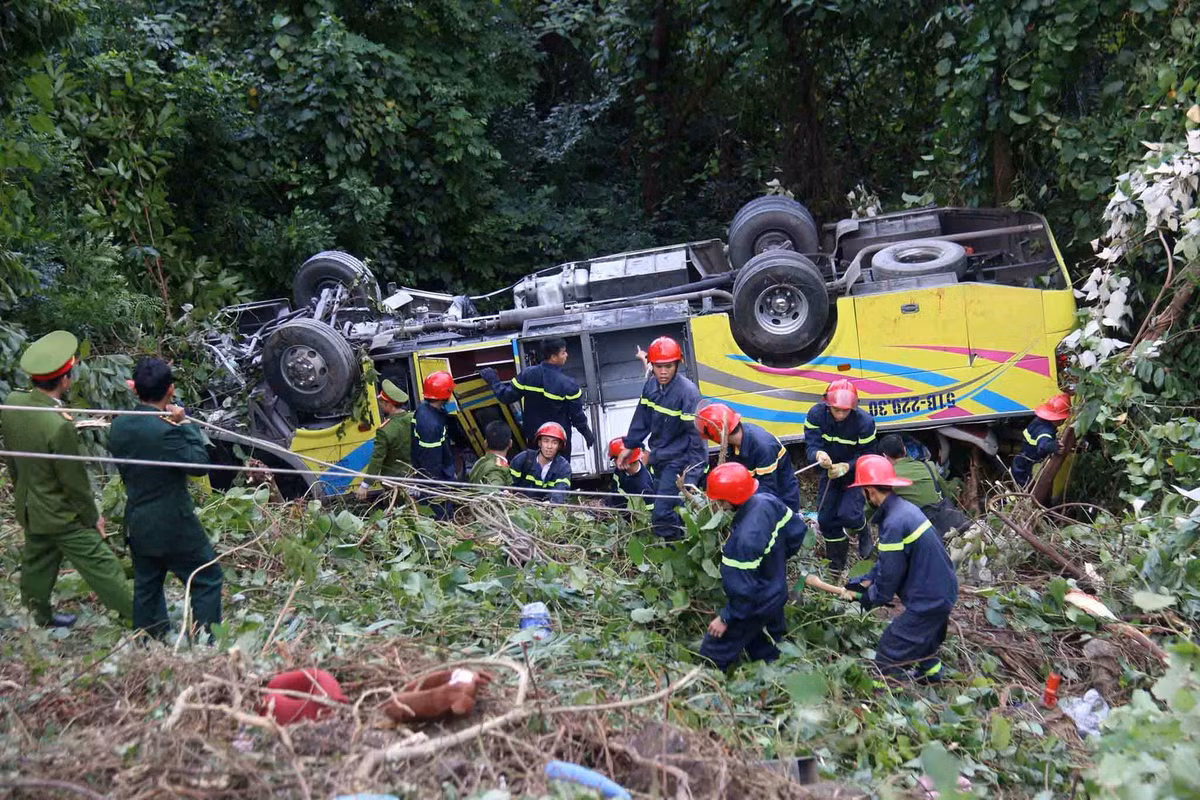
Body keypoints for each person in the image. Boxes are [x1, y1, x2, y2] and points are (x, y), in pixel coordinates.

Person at [0, 331, 133, 628]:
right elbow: (73, 481)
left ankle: (37, 617)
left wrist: (23, 494)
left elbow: (12, 461)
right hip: (62, 515)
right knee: (103, 566)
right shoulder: (58, 426)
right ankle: (145, 621)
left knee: (38, 564)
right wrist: (92, 516)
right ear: (65, 380)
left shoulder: (12, 404)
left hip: (30, 507)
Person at [109, 358, 223, 641]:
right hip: (173, 521)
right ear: (170, 390)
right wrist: (185, 426)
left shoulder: (119, 426)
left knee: (147, 586)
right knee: (206, 577)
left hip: (137, 521)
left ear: (135, 390)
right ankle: (207, 641)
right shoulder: (167, 432)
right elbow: (199, 465)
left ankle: (150, 641)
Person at [843, 455, 958, 683]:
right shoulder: (904, 510)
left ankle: (889, 691)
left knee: (891, 648)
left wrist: (871, 597)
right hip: (941, 590)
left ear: (870, 491)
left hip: (929, 598)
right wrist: (865, 581)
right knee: (923, 640)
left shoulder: (893, 524)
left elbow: (891, 573)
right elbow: (889, 562)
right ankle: (932, 677)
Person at [699, 462, 807, 671]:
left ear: (727, 501)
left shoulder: (742, 542)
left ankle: (708, 684)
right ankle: (777, 679)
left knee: (713, 651)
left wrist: (725, 618)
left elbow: (744, 592)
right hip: (776, 590)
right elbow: (797, 531)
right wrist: (774, 564)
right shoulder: (767, 501)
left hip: (757, 602)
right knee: (768, 645)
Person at [617, 336, 708, 540]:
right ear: (652, 365)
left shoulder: (688, 394)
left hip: (679, 462)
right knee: (672, 510)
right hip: (659, 458)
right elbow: (641, 419)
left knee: (661, 514)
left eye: (668, 366)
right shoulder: (651, 387)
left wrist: (691, 478)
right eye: (658, 367)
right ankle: (681, 545)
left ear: (677, 364)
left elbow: (697, 439)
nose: (663, 372)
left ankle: (675, 550)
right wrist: (629, 447)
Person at [804, 379, 877, 571]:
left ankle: (863, 532)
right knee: (826, 519)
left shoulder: (865, 423)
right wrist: (818, 455)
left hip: (854, 473)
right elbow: (811, 445)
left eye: (846, 411)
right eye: (837, 410)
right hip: (829, 472)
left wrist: (847, 466)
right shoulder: (815, 415)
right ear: (827, 405)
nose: (841, 414)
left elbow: (868, 456)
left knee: (849, 515)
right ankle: (836, 566)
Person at [480, 337, 595, 455]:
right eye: (563, 352)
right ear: (554, 357)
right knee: (560, 472)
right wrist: (586, 433)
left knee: (535, 472)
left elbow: (505, 396)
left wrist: (493, 380)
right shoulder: (568, 385)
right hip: (558, 443)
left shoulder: (527, 375)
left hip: (534, 440)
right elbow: (577, 417)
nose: (567, 355)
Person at [694, 403, 801, 511]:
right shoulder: (735, 443)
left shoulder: (763, 448)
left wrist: (732, 502)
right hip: (756, 498)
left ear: (716, 435)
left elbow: (767, 491)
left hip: (780, 504)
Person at [877, 434, 970, 537]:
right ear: (904, 450)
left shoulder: (886, 479)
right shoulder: (929, 466)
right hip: (946, 525)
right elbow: (946, 493)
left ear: (885, 456)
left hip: (918, 532)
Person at [355, 379, 413, 500]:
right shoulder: (412, 419)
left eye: (382, 402)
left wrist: (365, 485)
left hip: (393, 482)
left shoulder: (385, 430)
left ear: (389, 405)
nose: (380, 405)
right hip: (414, 477)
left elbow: (377, 459)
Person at [411, 371, 458, 519]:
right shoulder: (431, 425)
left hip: (431, 475)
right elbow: (431, 463)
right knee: (441, 516)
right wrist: (439, 489)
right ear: (446, 394)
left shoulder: (424, 409)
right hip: (435, 482)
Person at [1012, 393, 1070, 488]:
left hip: (1021, 462)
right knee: (1028, 491)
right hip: (1027, 468)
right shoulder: (1045, 431)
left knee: (1019, 489)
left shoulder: (1039, 421)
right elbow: (1042, 446)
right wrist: (1053, 446)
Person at [509, 422, 573, 504]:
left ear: (560, 446)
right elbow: (508, 482)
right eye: (546, 441)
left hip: (547, 510)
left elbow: (561, 489)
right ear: (539, 442)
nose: (549, 446)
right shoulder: (522, 460)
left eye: (554, 442)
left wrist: (551, 502)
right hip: (519, 507)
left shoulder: (563, 467)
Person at [604, 437, 654, 509]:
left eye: (615, 459)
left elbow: (648, 514)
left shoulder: (644, 487)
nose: (614, 462)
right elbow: (614, 489)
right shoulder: (620, 470)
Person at [468, 420, 513, 487]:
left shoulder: (480, 462)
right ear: (510, 443)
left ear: (485, 444)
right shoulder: (497, 470)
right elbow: (492, 492)